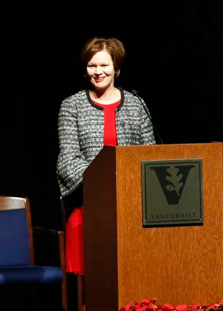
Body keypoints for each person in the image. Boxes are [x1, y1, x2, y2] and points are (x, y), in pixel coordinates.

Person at [56, 37, 156, 275]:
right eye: (92, 66)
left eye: (104, 66)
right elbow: (68, 162)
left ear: (116, 69)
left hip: (133, 208)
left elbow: (150, 156)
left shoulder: (137, 105)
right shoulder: (72, 106)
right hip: (88, 207)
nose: (98, 72)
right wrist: (105, 180)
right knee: (93, 282)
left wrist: (127, 183)